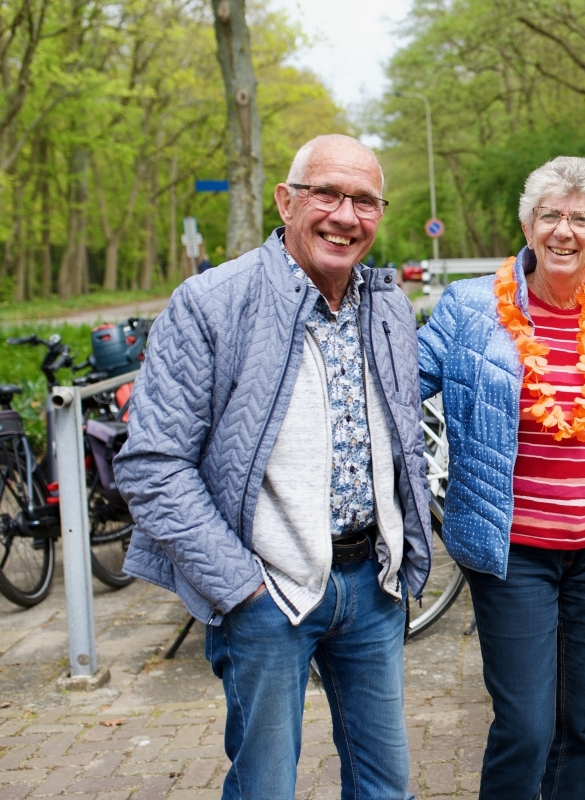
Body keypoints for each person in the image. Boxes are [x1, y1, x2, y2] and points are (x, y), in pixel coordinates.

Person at [114, 134, 431, 799]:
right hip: (266, 595)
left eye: (365, 201)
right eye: (327, 194)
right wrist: (240, 588)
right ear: (286, 202)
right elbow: (152, 465)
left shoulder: (388, 307)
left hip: (372, 587)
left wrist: (403, 553)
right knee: (265, 788)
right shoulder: (211, 303)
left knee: (387, 788)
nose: (345, 216)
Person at [417, 156, 585, 798]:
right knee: (525, 726)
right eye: (550, 215)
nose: (564, 231)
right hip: (513, 550)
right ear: (527, 226)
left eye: (582, 219)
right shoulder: (472, 306)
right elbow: (399, 383)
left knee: (581, 724)